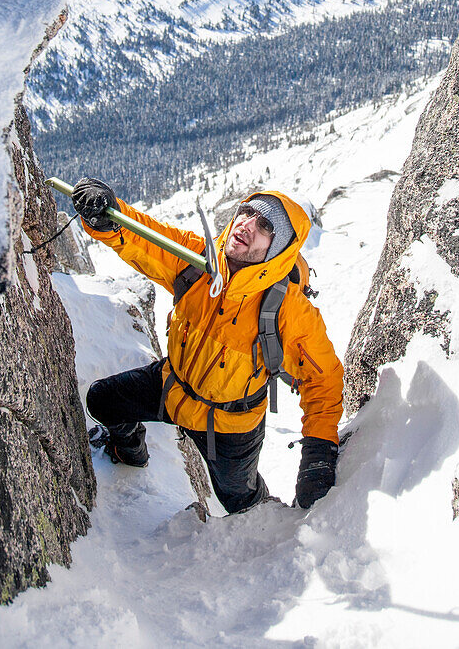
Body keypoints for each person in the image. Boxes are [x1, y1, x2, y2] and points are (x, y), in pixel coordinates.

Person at [72, 178, 344, 515]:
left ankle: (265, 514)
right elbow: (147, 239)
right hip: (173, 387)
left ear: (279, 248)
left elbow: (324, 379)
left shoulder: (289, 310)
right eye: (246, 213)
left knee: (239, 501)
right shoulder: (198, 260)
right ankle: (129, 451)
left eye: (264, 226)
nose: (246, 225)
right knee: (102, 401)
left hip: (231, 424)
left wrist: (318, 450)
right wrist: (108, 217)